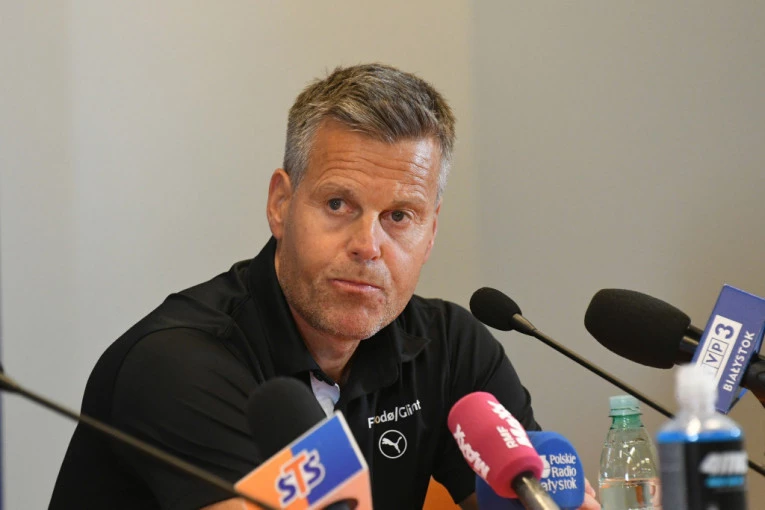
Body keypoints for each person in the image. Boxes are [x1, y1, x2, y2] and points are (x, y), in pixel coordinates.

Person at [49, 63, 599, 510]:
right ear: (280, 204)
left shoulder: (451, 348)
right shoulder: (178, 363)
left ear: (431, 233)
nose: (368, 245)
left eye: (399, 216)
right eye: (338, 204)